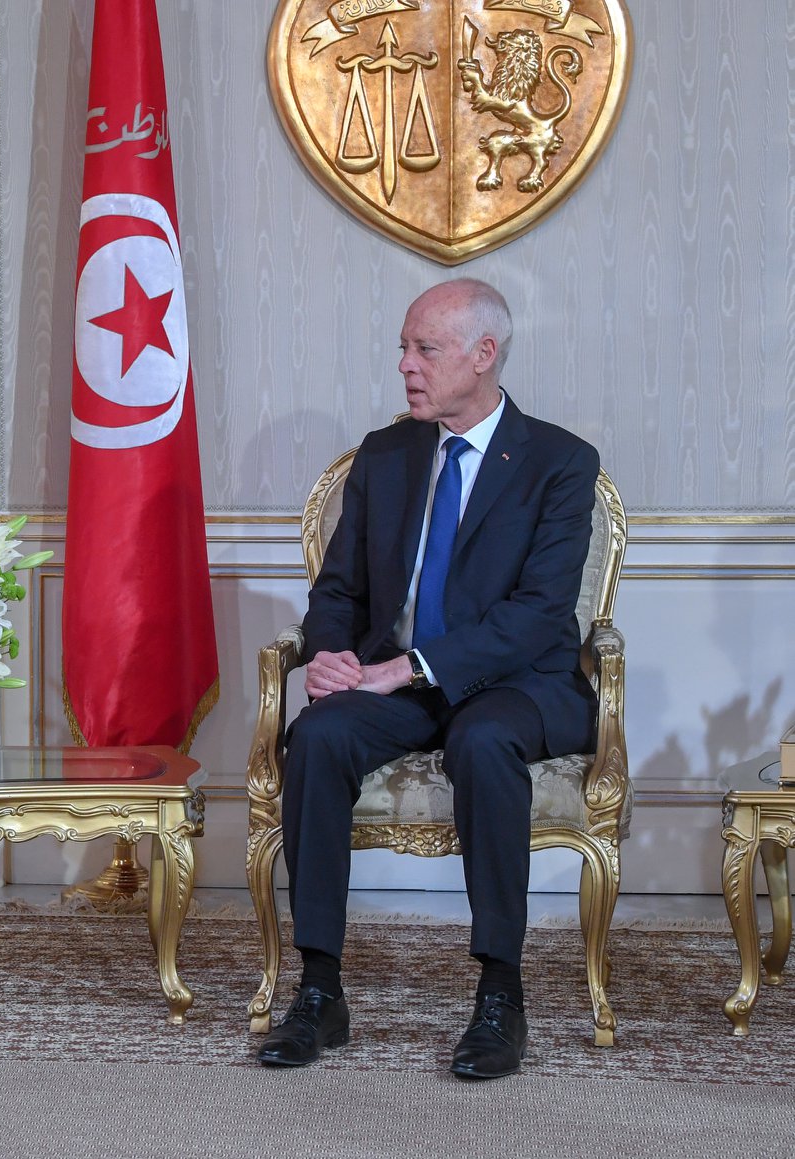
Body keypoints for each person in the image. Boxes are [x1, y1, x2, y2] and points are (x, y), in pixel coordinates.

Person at [257, 279, 599, 1080]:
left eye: (425, 349)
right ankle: (319, 988)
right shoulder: (387, 454)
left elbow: (540, 615)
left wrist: (411, 665)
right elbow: (338, 590)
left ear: (483, 355)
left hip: (516, 682)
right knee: (319, 734)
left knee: (484, 740)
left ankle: (500, 994)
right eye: (403, 349)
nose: (405, 365)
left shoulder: (558, 462)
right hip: (398, 684)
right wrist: (330, 655)